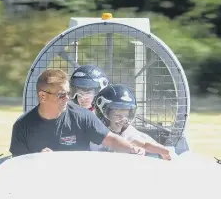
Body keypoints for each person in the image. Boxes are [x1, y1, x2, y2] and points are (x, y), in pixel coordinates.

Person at [9, 69, 145, 157]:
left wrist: (132, 149)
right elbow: (18, 164)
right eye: (61, 95)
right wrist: (38, 157)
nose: (68, 98)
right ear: (43, 96)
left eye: (68, 93)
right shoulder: (22, 126)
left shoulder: (83, 117)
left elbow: (111, 139)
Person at [92, 84, 174, 161]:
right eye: (117, 115)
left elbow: (145, 144)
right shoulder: (91, 127)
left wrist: (164, 151)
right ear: (101, 112)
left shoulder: (126, 131)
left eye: (126, 115)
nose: (123, 120)